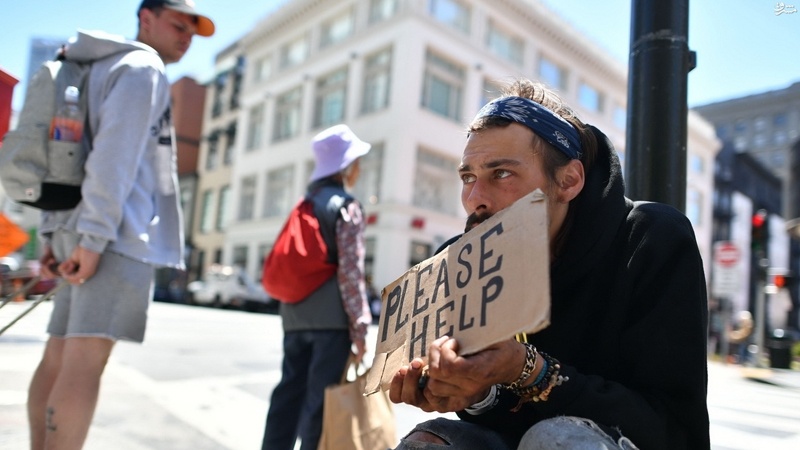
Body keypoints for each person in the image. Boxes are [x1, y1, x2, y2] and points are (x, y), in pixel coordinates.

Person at [389, 79, 710, 450]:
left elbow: (673, 429)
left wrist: (531, 370)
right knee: (430, 442)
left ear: (569, 180)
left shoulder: (652, 239)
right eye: (468, 177)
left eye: (501, 173)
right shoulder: (467, 261)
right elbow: (507, 418)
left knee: (554, 439)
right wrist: (472, 392)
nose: (475, 199)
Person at [27, 2, 214, 449]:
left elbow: (67, 155)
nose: (186, 36)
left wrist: (55, 232)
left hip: (84, 228)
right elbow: (114, 158)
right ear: (145, 17)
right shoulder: (143, 68)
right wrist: (92, 238)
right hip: (113, 237)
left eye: (193, 30)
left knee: (57, 357)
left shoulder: (95, 67)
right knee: (82, 365)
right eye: (178, 24)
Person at [261, 124, 374, 450]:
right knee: (319, 407)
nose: (359, 168)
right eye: (357, 161)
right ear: (347, 165)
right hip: (331, 325)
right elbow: (351, 275)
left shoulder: (305, 203)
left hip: (294, 318)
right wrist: (360, 327)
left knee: (287, 397)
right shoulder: (346, 207)